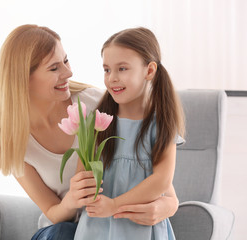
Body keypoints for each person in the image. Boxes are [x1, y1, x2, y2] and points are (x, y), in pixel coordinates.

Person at [0, 24, 181, 240]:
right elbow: (53, 213)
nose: (69, 72)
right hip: (64, 231)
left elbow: (156, 176)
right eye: (54, 68)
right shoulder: (15, 142)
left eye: (65, 60)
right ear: (23, 79)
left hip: (112, 226)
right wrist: (72, 199)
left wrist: (167, 205)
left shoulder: (98, 104)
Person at [74, 27, 185, 240]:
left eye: (122, 69)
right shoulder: (98, 123)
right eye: (107, 70)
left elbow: (162, 180)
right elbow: (83, 175)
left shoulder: (160, 123)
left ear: (149, 71)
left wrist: (115, 205)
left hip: (140, 231)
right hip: (95, 229)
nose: (112, 78)